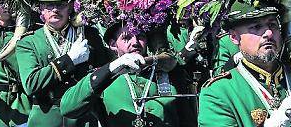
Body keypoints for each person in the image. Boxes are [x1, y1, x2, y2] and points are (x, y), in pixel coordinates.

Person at [197, 0, 291, 127]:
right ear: (234, 37)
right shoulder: (218, 92)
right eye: (256, 27)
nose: (269, 33)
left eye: (272, 25)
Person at [60, 22, 193, 127]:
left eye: (140, 36)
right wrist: (112, 68)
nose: (135, 42)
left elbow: (187, 120)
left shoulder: (166, 72)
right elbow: (68, 108)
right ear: (113, 45)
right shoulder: (104, 78)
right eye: (126, 38)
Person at [16, 0, 109, 127]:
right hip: (46, 117)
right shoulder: (29, 42)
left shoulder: (89, 34)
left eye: (60, 5)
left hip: (84, 117)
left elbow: (103, 71)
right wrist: (70, 59)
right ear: (41, 9)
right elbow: (31, 84)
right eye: (49, 5)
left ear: (70, 7)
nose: (55, 9)